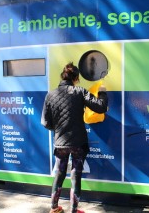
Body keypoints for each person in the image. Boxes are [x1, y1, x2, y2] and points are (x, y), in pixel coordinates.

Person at [41, 62, 108, 213]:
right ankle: (74, 210)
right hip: (78, 142)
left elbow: (45, 122)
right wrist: (102, 92)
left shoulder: (50, 94)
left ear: (62, 76)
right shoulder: (79, 91)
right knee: (76, 175)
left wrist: (58, 129)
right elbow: (101, 107)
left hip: (60, 143)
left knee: (59, 173)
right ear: (76, 78)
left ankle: (54, 208)